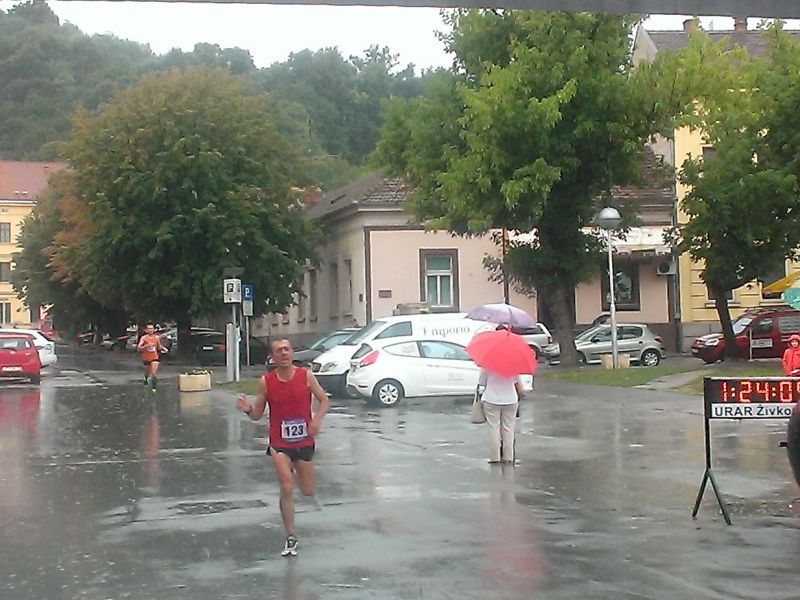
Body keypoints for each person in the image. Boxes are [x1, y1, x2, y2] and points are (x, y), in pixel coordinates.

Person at [236, 338, 330, 557]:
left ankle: (294, 471)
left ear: (292, 353)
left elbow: (324, 400)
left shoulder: (305, 376)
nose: (284, 353)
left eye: (287, 349)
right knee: (286, 486)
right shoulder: (266, 382)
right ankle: (290, 535)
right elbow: (257, 415)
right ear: (273, 357)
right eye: (279, 351)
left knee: (308, 491)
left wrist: (316, 420)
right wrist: (247, 408)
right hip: (279, 442)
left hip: (304, 441)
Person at [479, 368, 525, 464]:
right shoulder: (512, 365)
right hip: (510, 399)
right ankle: (508, 457)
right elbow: (517, 382)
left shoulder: (487, 366)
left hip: (491, 399)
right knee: (509, 429)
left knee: (494, 428)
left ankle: (495, 457)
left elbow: (482, 382)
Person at [137, 323, 166, 390]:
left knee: (153, 373)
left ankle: (154, 388)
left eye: (152, 328)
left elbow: (159, 346)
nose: (150, 330)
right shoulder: (144, 338)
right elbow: (139, 348)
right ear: (146, 330)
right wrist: (146, 346)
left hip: (155, 357)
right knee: (147, 372)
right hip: (146, 357)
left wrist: (164, 348)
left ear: (154, 330)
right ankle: (146, 378)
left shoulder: (156, 337)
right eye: (149, 329)